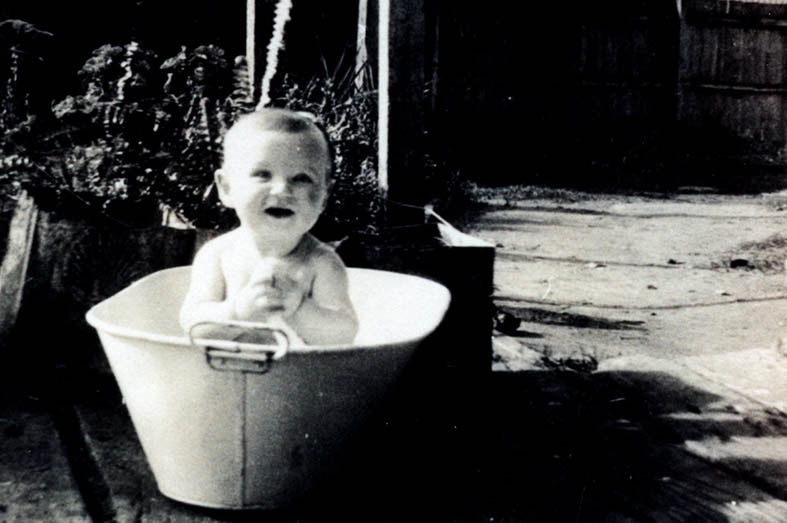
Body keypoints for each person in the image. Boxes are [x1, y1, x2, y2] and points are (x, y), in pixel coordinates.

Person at [179, 108, 358, 346]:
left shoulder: (321, 262)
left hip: (298, 377)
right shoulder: (217, 255)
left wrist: (300, 309)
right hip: (225, 373)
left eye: (301, 178)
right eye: (262, 174)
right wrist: (236, 312)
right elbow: (192, 323)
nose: (282, 190)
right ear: (227, 188)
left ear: (324, 196)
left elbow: (344, 333)